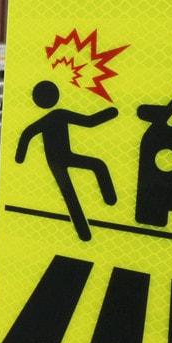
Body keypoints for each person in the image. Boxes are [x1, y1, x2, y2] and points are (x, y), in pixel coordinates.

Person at [15, 80, 118, 241]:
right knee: (96, 167)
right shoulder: (59, 114)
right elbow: (90, 121)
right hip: (62, 159)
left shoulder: (51, 117)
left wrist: (20, 157)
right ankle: (108, 202)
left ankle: (104, 207)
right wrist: (111, 112)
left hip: (57, 161)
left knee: (73, 192)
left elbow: (27, 134)